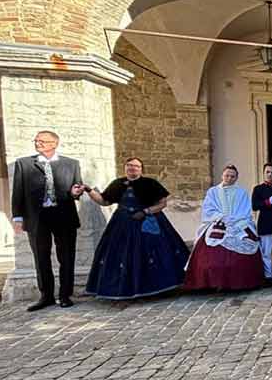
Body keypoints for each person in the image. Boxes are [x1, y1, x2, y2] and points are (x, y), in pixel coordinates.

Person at [84, 157, 190, 300]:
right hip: (122, 223)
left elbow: (162, 203)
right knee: (120, 254)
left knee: (153, 253)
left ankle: (157, 287)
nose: (132, 168)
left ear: (141, 169)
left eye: (136, 166)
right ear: (125, 167)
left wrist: (146, 211)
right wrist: (89, 190)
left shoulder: (150, 183)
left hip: (147, 221)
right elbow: (104, 201)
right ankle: (125, 288)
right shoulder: (118, 183)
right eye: (129, 165)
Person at [11, 130, 84, 311]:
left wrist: (76, 192)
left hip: (64, 216)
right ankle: (46, 296)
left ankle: (65, 295)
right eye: (36, 140)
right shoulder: (24, 164)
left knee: (66, 257)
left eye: (42, 141)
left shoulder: (71, 164)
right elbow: (17, 192)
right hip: (37, 218)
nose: (38, 143)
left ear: (54, 144)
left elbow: (76, 187)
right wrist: (18, 217)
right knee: (41, 257)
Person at [184, 164, 263, 291]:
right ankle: (212, 283)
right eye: (227, 175)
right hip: (218, 221)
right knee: (211, 251)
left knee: (247, 242)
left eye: (233, 176)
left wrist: (234, 220)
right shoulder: (213, 191)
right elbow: (208, 209)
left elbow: (245, 210)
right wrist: (221, 217)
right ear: (222, 175)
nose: (229, 178)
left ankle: (240, 283)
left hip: (238, 223)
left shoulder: (242, 192)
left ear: (237, 178)